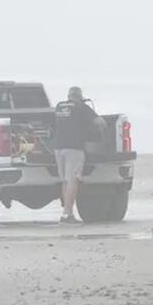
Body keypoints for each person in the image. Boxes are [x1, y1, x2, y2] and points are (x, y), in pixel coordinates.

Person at [53, 87, 98, 223]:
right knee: (73, 180)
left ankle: (67, 212)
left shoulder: (59, 106)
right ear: (80, 96)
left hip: (58, 147)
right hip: (74, 148)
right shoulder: (81, 106)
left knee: (65, 180)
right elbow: (99, 122)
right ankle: (67, 214)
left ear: (68, 96)